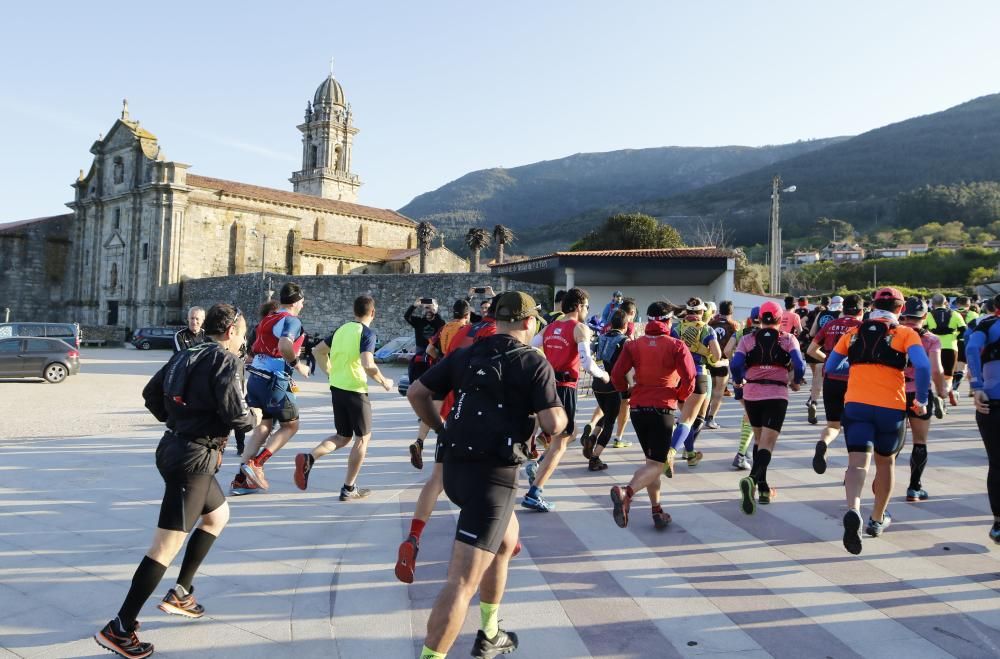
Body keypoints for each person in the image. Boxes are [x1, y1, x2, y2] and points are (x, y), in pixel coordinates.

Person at [407, 291, 567, 659]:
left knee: (506, 543)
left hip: (457, 470)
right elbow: (552, 422)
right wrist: (556, 418)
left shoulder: (467, 353)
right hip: (493, 478)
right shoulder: (533, 362)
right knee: (461, 582)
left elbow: (418, 392)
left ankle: (490, 633)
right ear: (529, 322)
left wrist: (441, 428)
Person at [95, 304, 254, 658]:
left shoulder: (187, 353)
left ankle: (181, 591)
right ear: (230, 332)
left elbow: (151, 395)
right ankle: (120, 628)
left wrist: (179, 419)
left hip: (175, 449)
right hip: (193, 460)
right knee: (164, 548)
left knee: (218, 516)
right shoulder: (227, 361)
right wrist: (252, 419)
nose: (244, 340)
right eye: (243, 333)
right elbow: (236, 414)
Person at [395, 297, 501, 584]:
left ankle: (414, 536)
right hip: (481, 417)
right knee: (497, 486)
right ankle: (505, 541)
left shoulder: (455, 332)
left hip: (449, 410)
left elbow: (431, 358)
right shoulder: (497, 336)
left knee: (436, 479)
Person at [825, 287, 930, 555]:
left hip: (857, 404)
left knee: (857, 462)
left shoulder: (854, 333)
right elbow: (923, 365)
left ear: (873, 305)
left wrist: (860, 367)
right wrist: (921, 399)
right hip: (890, 408)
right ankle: (876, 519)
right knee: (886, 462)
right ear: (900, 309)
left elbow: (829, 367)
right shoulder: (905, 333)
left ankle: (853, 509)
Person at [293, 295, 393, 500]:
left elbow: (318, 350)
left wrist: (330, 372)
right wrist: (384, 381)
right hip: (355, 390)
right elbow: (367, 363)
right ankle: (349, 488)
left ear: (354, 311)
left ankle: (309, 457)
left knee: (342, 436)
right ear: (372, 313)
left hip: (337, 389)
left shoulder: (342, 329)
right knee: (362, 439)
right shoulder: (367, 333)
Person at [609, 301, 696, 530]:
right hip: (662, 408)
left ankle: (657, 510)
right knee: (658, 464)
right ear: (668, 321)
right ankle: (626, 493)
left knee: (651, 462)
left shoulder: (634, 345)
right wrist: (678, 395)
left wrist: (624, 391)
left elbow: (617, 374)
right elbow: (690, 378)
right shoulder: (676, 345)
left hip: (638, 408)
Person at [524, 288, 609, 512]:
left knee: (570, 433)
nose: (587, 311)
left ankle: (538, 465)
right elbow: (587, 363)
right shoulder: (580, 328)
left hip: (548, 387)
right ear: (579, 306)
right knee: (561, 443)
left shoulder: (551, 327)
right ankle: (534, 492)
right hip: (565, 389)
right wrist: (604, 375)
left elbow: (531, 348)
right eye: (587, 307)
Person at [232, 283, 311, 494]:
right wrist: (298, 365)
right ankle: (256, 464)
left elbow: (255, 348)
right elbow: (285, 344)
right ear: (296, 302)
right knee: (291, 426)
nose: (303, 305)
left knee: (264, 427)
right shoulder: (291, 320)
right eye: (302, 302)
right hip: (273, 381)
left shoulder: (269, 318)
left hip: (256, 378)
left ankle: (241, 479)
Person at [731, 300, 805, 514]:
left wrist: (738, 381)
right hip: (776, 394)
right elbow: (799, 364)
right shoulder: (788, 339)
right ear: (780, 319)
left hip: (752, 394)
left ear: (760, 319)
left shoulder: (747, 339)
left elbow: (736, 365)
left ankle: (763, 489)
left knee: (758, 438)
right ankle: (752, 479)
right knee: (768, 444)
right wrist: (797, 381)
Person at [412, 299, 475, 469]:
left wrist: (440, 358)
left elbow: (429, 349)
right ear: (467, 314)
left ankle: (419, 441)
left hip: (443, 369)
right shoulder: (467, 330)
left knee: (434, 409)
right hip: (459, 373)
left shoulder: (444, 327)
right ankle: (454, 449)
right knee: (459, 413)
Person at [806, 294, 864, 475]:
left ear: (842, 309)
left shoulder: (830, 325)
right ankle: (852, 471)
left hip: (830, 380)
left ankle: (823, 443)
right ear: (861, 311)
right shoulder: (862, 327)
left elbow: (811, 350)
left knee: (833, 425)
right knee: (853, 427)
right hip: (853, 381)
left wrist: (829, 359)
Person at [898, 297, 948, 502]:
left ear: (903, 314)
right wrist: (942, 390)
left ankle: (881, 484)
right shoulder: (931, 339)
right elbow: (936, 369)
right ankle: (914, 487)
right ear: (925, 316)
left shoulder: (895, 334)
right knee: (919, 441)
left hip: (895, 392)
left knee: (891, 444)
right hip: (920, 393)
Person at [665, 298, 721, 476]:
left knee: (685, 416)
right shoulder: (706, 329)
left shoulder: (675, 328)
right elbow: (717, 355)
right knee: (688, 420)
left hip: (679, 377)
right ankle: (671, 452)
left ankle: (690, 454)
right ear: (702, 312)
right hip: (698, 376)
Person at [963, 294, 1000, 544]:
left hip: (992, 402)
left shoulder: (987, 326)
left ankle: (998, 523)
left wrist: (976, 385)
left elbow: (971, 348)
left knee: (997, 463)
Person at [583, 310, 630, 471]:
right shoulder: (625, 341)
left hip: (598, 383)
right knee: (610, 422)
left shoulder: (600, 337)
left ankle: (592, 437)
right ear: (625, 325)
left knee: (606, 413)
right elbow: (629, 367)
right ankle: (595, 458)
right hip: (614, 385)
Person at [405, 298, 447, 451]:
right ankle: (422, 411)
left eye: (430, 308)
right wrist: (414, 305)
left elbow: (441, 326)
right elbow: (407, 317)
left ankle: (428, 412)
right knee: (417, 387)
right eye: (426, 308)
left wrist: (435, 312)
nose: (427, 310)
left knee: (431, 390)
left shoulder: (439, 323)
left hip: (432, 357)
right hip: (419, 358)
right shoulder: (419, 322)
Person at [805, 295, 843, 424]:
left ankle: (814, 401)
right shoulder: (841, 315)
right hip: (838, 354)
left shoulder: (822, 313)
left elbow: (812, 333)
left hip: (821, 349)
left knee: (818, 376)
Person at [925, 292, 966, 406]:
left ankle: (943, 395)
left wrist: (931, 336)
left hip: (934, 349)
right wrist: (955, 337)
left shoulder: (928, 315)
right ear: (946, 302)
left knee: (937, 375)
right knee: (948, 377)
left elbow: (922, 330)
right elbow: (963, 329)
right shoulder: (955, 314)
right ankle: (941, 396)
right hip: (951, 347)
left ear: (932, 303)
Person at [706, 300, 741, 429]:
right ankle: (711, 418)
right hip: (723, 362)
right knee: (719, 392)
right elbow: (736, 345)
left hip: (709, 361)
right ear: (731, 312)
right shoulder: (734, 326)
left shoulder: (710, 324)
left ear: (720, 311)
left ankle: (703, 414)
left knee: (709, 390)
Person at [953, 296, 979, 396]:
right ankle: (971, 389)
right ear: (969, 304)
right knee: (971, 367)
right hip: (970, 342)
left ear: (957, 304)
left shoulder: (952, 313)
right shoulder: (974, 314)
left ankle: (953, 387)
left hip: (954, 342)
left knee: (957, 368)